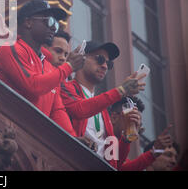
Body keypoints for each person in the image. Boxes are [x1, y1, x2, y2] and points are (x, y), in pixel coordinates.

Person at [0, 0, 85, 137]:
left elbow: (57, 110)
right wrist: (69, 66)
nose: (53, 28)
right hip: (7, 134)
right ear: (28, 22)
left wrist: (75, 139)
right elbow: (33, 86)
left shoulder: (49, 67)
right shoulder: (10, 49)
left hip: (33, 140)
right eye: (49, 21)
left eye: (56, 24)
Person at [60, 40, 146, 168]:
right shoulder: (65, 87)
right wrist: (121, 90)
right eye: (100, 59)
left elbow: (113, 162)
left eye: (109, 63)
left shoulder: (103, 111)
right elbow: (79, 109)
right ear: (81, 59)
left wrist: (126, 139)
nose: (105, 66)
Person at [110, 97, 175, 171]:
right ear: (114, 118)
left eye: (138, 125)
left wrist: (154, 152)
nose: (135, 128)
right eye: (132, 121)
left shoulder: (124, 158)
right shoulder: (99, 137)